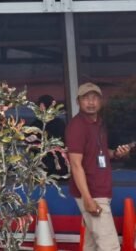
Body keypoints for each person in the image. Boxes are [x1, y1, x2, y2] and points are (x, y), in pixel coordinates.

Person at [65, 82, 131, 251]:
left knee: (92, 246)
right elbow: (75, 164)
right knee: (110, 247)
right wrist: (87, 199)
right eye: (86, 98)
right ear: (78, 101)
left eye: (94, 98)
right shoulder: (77, 126)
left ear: (101, 101)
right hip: (93, 193)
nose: (91, 102)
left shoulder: (99, 123)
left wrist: (117, 154)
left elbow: (98, 152)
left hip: (100, 190)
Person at [32, 94, 68, 176]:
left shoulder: (58, 123)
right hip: (48, 165)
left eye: (41, 106)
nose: (40, 109)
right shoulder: (59, 123)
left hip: (51, 165)